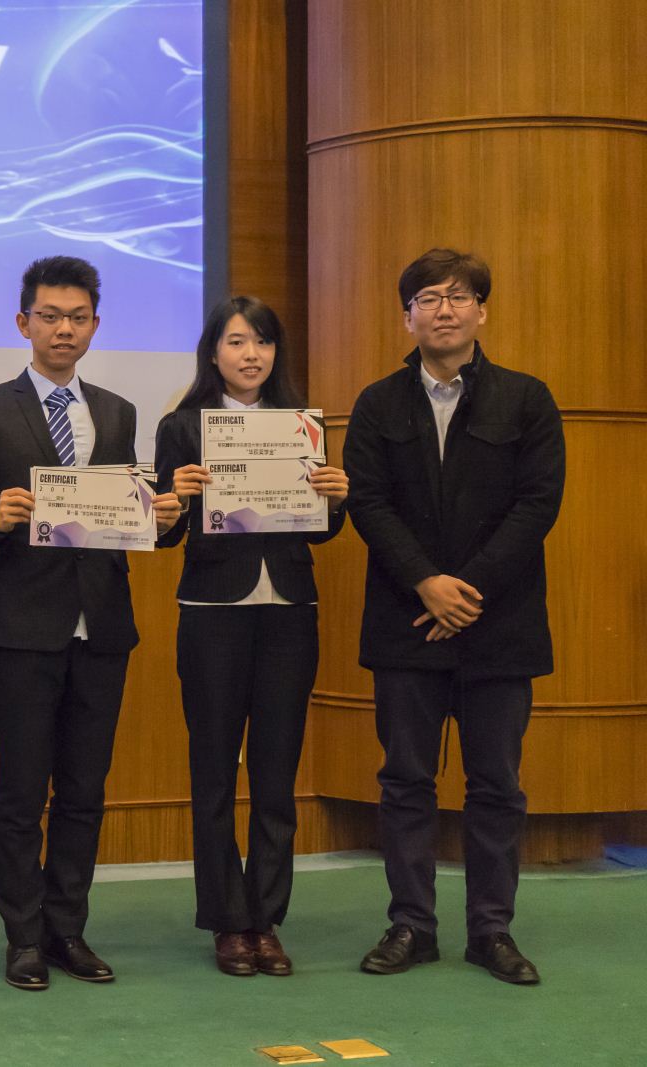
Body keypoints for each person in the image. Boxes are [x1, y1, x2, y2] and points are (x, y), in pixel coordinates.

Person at [344, 249, 563, 986]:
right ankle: (411, 925)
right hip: (406, 622)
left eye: (459, 296)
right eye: (428, 298)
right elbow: (368, 502)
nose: (444, 309)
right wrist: (426, 584)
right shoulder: (378, 403)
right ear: (406, 316)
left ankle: (491, 930)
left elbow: (538, 504)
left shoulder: (526, 399)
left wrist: (464, 591)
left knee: (496, 783)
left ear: (482, 311)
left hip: (499, 623)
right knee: (405, 780)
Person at [0, 256, 182, 990]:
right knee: (20, 792)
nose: (64, 329)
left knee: (85, 791)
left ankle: (67, 931)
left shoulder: (117, 411)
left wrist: (163, 517)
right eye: (50, 316)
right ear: (23, 322)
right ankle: (23, 936)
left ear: (95, 325)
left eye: (77, 317)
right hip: (21, 626)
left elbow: (125, 513)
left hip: (103, 625)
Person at [154, 296, 348, 977]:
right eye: (237, 341)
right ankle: (226, 921)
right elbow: (164, 532)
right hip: (212, 608)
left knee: (276, 771)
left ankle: (265, 919)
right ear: (213, 352)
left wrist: (336, 497)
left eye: (262, 342)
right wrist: (174, 499)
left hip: (290, 608)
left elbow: (321, 529)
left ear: (275, 353)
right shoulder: (182, 426)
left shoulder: (301, 425)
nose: (251, 354)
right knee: (213, 769)